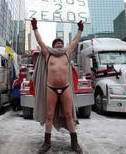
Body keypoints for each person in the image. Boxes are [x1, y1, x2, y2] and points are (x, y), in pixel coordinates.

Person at [31, 18, 83, 154]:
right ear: (53, 46)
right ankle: (46, 143)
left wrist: (80, 29)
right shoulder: (48, 54)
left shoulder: (67, 53)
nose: (59, 44)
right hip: (51, 88)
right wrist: (35, 27)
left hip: (65, 88)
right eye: (57, 43)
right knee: (49, 115)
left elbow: (75, 41)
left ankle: (74, 142)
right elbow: (40, 41)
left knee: (68, 114)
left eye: (61, 43)